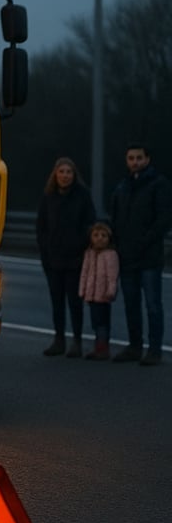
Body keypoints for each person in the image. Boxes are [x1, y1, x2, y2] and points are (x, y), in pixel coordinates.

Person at [106, 143, 172, 366]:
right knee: (131, 304)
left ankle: (154, 350)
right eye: (131, 158)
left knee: (153, 305)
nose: (135, 162)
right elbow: (115, 217)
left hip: (149, 256)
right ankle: (134, 346)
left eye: (139, 158)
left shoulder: (159, 185)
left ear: (147, 159)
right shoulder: (123, 186)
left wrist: (145, 241)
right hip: (126, 256)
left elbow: (164, 219)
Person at [36, 157, 96, 357]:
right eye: (61, 172)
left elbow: (90, 222)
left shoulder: (82, 195)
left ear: (74, 174)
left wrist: (81, 245)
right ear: (55, 174)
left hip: (75, 259)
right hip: (53, 259)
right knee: (57, 302)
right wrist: (45, 251)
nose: (65, 176)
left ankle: (77, 341)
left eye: (68, 172)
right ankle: (59, 339)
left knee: (74, 302)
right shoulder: (48, 196)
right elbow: (41, 226)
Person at [79, 221, 120, 360]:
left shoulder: (111, 254)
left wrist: (111, 291)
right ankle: (99, 346)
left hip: (103, 295)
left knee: (102, 323)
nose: (100, 238)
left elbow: (112, 276)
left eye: (103, 235)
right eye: (96, 235)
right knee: (96, 322)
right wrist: (82, 290)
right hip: (91, 295)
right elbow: (84, 273)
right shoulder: (89, 253)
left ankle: (103, 349)